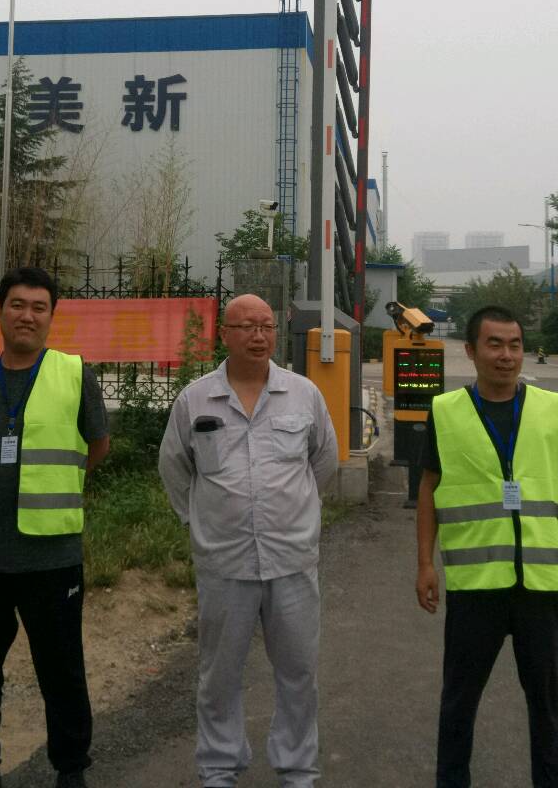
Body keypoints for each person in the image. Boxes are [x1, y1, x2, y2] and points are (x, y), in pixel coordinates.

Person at [0, 266, 111, 788]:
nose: (27, 316)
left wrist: (59, 481)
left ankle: (71, 770)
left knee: (62, 672)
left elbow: (97, 445)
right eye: (17, 304)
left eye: (38, 307)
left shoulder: (74, 374)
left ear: (51, 316)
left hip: (51, 559)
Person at [159, 294, 339, 788]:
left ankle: (297, 770)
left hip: (291, 560)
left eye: (266, 326)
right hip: (224, 562)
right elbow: (175, 467)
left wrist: (296, 512)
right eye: (246, 327)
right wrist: (199, 522)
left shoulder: (303, 394)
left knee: (299, 673)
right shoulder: (196, 400)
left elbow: (324, 461)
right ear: (224, 334)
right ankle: (219, 768)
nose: (258, 336)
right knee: (219, 674)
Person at [415, 305, 558, 788]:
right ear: (471, 351)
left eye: (515, 345)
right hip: (476, 587)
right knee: (459, 702)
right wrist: (424, 564)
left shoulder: (551, 407)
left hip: (539, 587)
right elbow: (429, 489)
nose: (506, 355)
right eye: (494, 344)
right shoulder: (445, 411)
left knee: (547, 704)